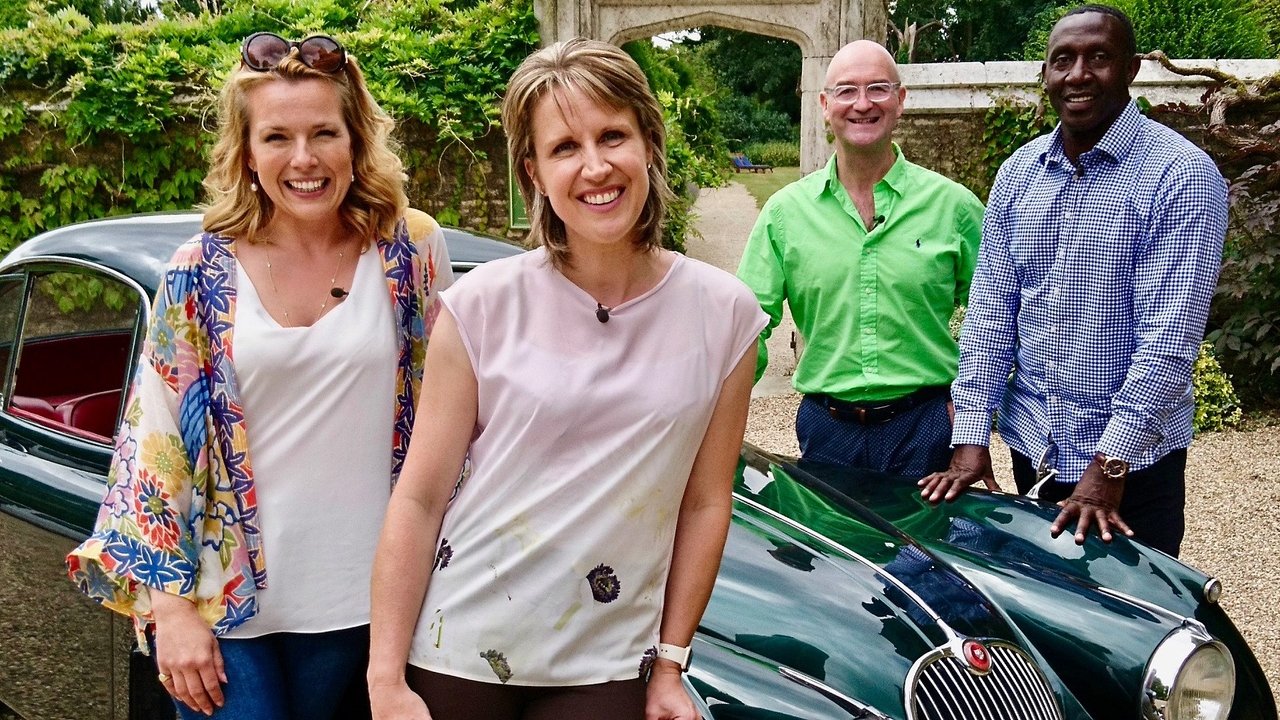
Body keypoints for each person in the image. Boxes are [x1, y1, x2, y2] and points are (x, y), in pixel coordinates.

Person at [367, 38, 766, 720]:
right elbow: (420, 498)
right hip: (458, 648)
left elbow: (705, 503)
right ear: (534, 171)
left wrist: (672, 664)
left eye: (613, 135)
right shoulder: (482, 304)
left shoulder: (725, 315)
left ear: (649, 142)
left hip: (605, 662)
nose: (595, 166)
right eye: (564, 148)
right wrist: (386, 679)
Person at [66, 31, 451, 718]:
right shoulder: (197, 270)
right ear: (246, 152)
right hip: (226, 610)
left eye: (324, 133)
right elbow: (155, 444)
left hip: (377, 604)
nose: (303, 159)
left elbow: (451, 413)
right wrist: (170, 609)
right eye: (277, 137)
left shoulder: (410, 248)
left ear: (355, 139)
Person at [919, 5, 1228, 558]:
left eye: (1099, 58)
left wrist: (1110, 463)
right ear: (1046, 74)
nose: (1078, 74)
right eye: (1063, 60)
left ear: (1131, 69)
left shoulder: (1182, 174)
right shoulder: (1020, 172)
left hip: (1130, 469)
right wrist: (970, 436)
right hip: (1034, 445)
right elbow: (992, 311)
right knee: (1046, 609)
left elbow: (1171, 335)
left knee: (1131, 625)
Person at [736, 40, 984, 478]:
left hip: (927, 425)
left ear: (901, 100)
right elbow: (745, 328)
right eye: (847, 90)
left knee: (926, 547)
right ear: (825, 104)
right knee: (836, 547)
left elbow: (999, 317)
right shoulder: (785, 213)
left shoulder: (955, 208)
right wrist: (721, 415)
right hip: (826, 429)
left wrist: (975, 414)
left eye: (878, 89)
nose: (863, 104)